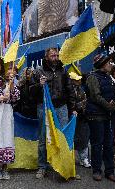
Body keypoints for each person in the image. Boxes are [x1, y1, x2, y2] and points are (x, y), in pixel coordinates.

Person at [31, 48, 76, 179]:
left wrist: (73, 108)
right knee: (44, 137)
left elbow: (70, 89)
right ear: (46, 57)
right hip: (44, 108)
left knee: (63, 137)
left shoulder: (63, 70)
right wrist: (39, 85)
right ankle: (42, 167)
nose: (55, 57)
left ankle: (62, 165)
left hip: (61, 107)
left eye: (57, 55)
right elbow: (30, 91)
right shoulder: (38, 71)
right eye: (52, 55)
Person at [85, 54, 115, 182]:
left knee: (108, 144)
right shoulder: (92, 77)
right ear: (102, 64)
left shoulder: (108, 77)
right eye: (108, 63)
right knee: (97, 144)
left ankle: (109, 171)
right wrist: (113, 107)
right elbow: (96, 97)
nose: (111, 65)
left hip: (108, 116)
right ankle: (96, 171)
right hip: (96, 116)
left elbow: (113, 93)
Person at [69, 72, 91, 168]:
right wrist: (74, 108)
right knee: (70, 138)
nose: (79, 81)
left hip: (82, 117)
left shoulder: (81, 90)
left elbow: (86, 101)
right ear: (72, 81)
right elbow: (68, 103)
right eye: (77, 79)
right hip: (71, 118)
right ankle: (69, 159)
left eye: (79, 79)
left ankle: (84, 159)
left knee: (84, 138)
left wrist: (79, 106)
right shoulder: (67, 91)